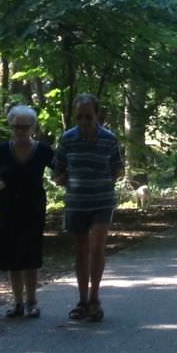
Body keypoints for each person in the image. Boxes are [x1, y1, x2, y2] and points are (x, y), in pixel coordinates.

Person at [53, 92, 124, 321]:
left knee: (97, 247)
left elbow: (117, 169)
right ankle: (82, 300)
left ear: (97, 115)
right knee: (81, 250)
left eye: (88, 116)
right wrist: (67, 179)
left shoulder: (109, 139)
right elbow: (58, 171)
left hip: (102, 200)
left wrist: (100, 181)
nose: (84, 121)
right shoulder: (67, 139)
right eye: (80, 117)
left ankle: (95, 298)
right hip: (77, 202)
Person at [0, 105, 52, 318]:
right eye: (16, 127)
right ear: (11, 127)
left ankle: (32, 301)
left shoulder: (42, 149)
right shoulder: (3, 149)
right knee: (11, 256)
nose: (20, 131)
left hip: (33, 206)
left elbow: (61, 170)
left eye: (25, 127)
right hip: (8, 207)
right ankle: (17, 303)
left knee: (31, 254)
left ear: (32, 127)